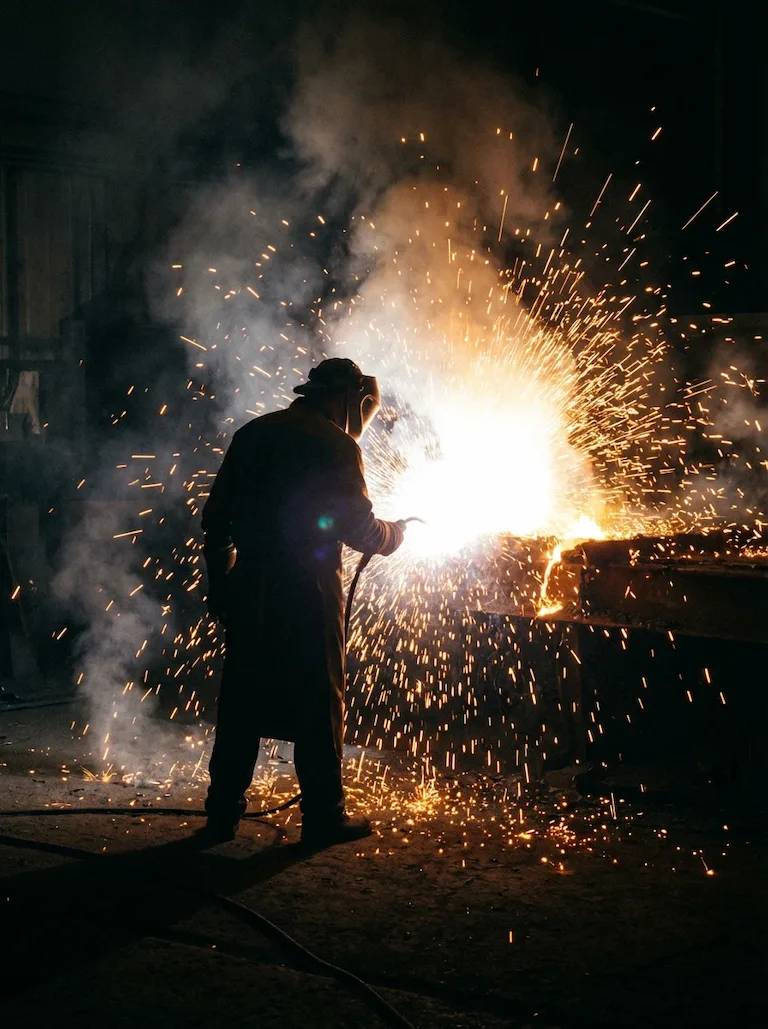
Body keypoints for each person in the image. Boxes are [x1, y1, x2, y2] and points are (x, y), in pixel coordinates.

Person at [201, 358, 406, 846]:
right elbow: (358, 529)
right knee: (319, 701)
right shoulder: (336, 446)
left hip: (250, 586)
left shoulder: (254, 433)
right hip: (309, 594)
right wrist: (394, 535)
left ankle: (221, 814)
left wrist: (221, 586)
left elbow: (216, 522)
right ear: (347, 401)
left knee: (241, 703)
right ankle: (323, 817)